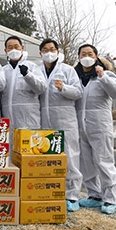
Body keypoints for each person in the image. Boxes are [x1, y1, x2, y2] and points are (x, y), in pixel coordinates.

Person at [74, 43, 116, 215]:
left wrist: (103, 77)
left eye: (90, 54)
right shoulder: (76, 77)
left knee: (104, 161)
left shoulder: (106, 74)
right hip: (81, 125)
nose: (86, 56)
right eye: (83, 54)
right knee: (86, 162)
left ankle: (110, 198)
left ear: (96, 57)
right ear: (78, 57)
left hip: (100, 125)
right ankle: (94, 195)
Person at [38, 38, 83, 212]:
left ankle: (72, 195)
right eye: (45, 50)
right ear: (41, 53)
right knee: (47, 156)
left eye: (52, 49)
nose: (49, 52)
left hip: (65, 119)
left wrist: (63, 87)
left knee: (70, 156)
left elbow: (78, 92)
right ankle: (52, 191)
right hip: (44, 119)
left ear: (57, 52)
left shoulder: (68, 70)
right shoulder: (38, 70)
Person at [0, 35, 47, 129]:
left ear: (22, 48)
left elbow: (42, 88)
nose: (13, 50)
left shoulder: (32, 67)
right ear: (6, 51)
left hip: (29, 120)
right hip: (8, 120)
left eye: (16, 47)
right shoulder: (3, 70)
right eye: (10, 48)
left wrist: (27, 75)